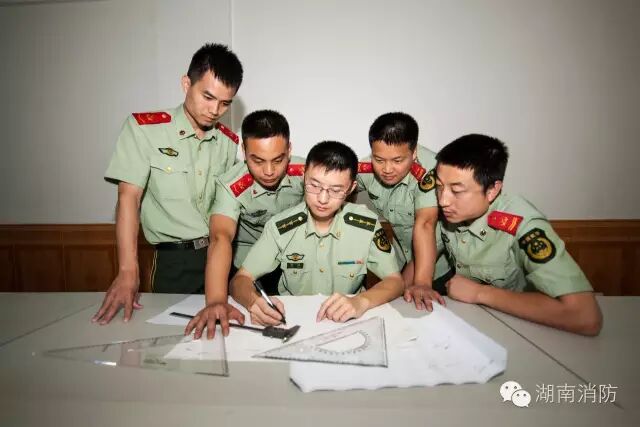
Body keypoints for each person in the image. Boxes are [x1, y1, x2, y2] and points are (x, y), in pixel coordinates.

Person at [93, 43, 243, 325]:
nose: (215, 110)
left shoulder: (227, 142)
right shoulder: (145, 130)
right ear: (186, 84)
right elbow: (128, 198)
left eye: (225, 103)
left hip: (220, 258)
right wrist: (127, 270)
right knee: (169, 339)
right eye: (208, 97)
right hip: (174, 263)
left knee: (225, 339)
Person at [435, 134, 602, 336]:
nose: (443, 200)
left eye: (456, 191)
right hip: (470, 322)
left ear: (492, 190)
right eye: (439, 186)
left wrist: (479, 293)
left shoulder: (522, 224)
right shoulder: (452, 212)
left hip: (526, 330)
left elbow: (585, 316)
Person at [226, 141, 404, 328]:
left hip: (347, 322)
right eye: (314, 185)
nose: (322, 199)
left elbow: (395, 282)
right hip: (293, 321)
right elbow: (240, 280)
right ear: (303, 177)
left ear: (351, 188)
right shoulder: (280, 227)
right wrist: (254, 302)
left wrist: (361, 301)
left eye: (336, 190)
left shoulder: (366, 225)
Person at [185, 110, 306, 338]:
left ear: (289, 150)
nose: (269, 171)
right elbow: (220, 237)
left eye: (278, 160)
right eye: (257, 161)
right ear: (244, 151)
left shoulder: (307, 172)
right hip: (248, 268)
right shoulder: (231, 185)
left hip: (294, 263)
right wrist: (216, 301)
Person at [357, 112, 446, 312]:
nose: (387, 169)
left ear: (414, 153)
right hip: (400, 259)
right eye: (379, 159)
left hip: (435, 267)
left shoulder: (432, 172)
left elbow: (426, 223)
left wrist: (421, 282)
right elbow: (341, 186)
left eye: (397, 161)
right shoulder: (366, 168)